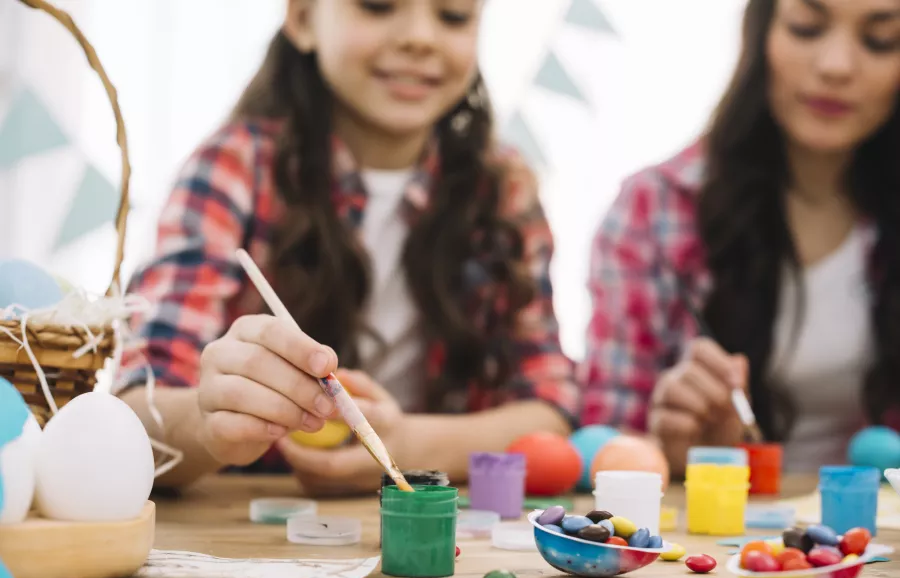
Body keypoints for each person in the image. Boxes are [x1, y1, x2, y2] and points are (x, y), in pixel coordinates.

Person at [114, 0, 578, 495]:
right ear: (303, 19)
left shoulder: (503, 191)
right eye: (377, 6)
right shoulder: (234, 168)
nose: (420, 38)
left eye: (454, 16)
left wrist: (405, 444)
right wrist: (213, 426)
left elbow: (550, 411)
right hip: (251, 536)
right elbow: (137, 412)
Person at [579, 0, 900, 477]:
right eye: (807, 28)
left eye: (880, 40)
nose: (836, 66)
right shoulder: (656, 207)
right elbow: (596, 445)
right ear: (762, 31)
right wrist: (672, 448)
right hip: (710, 535)